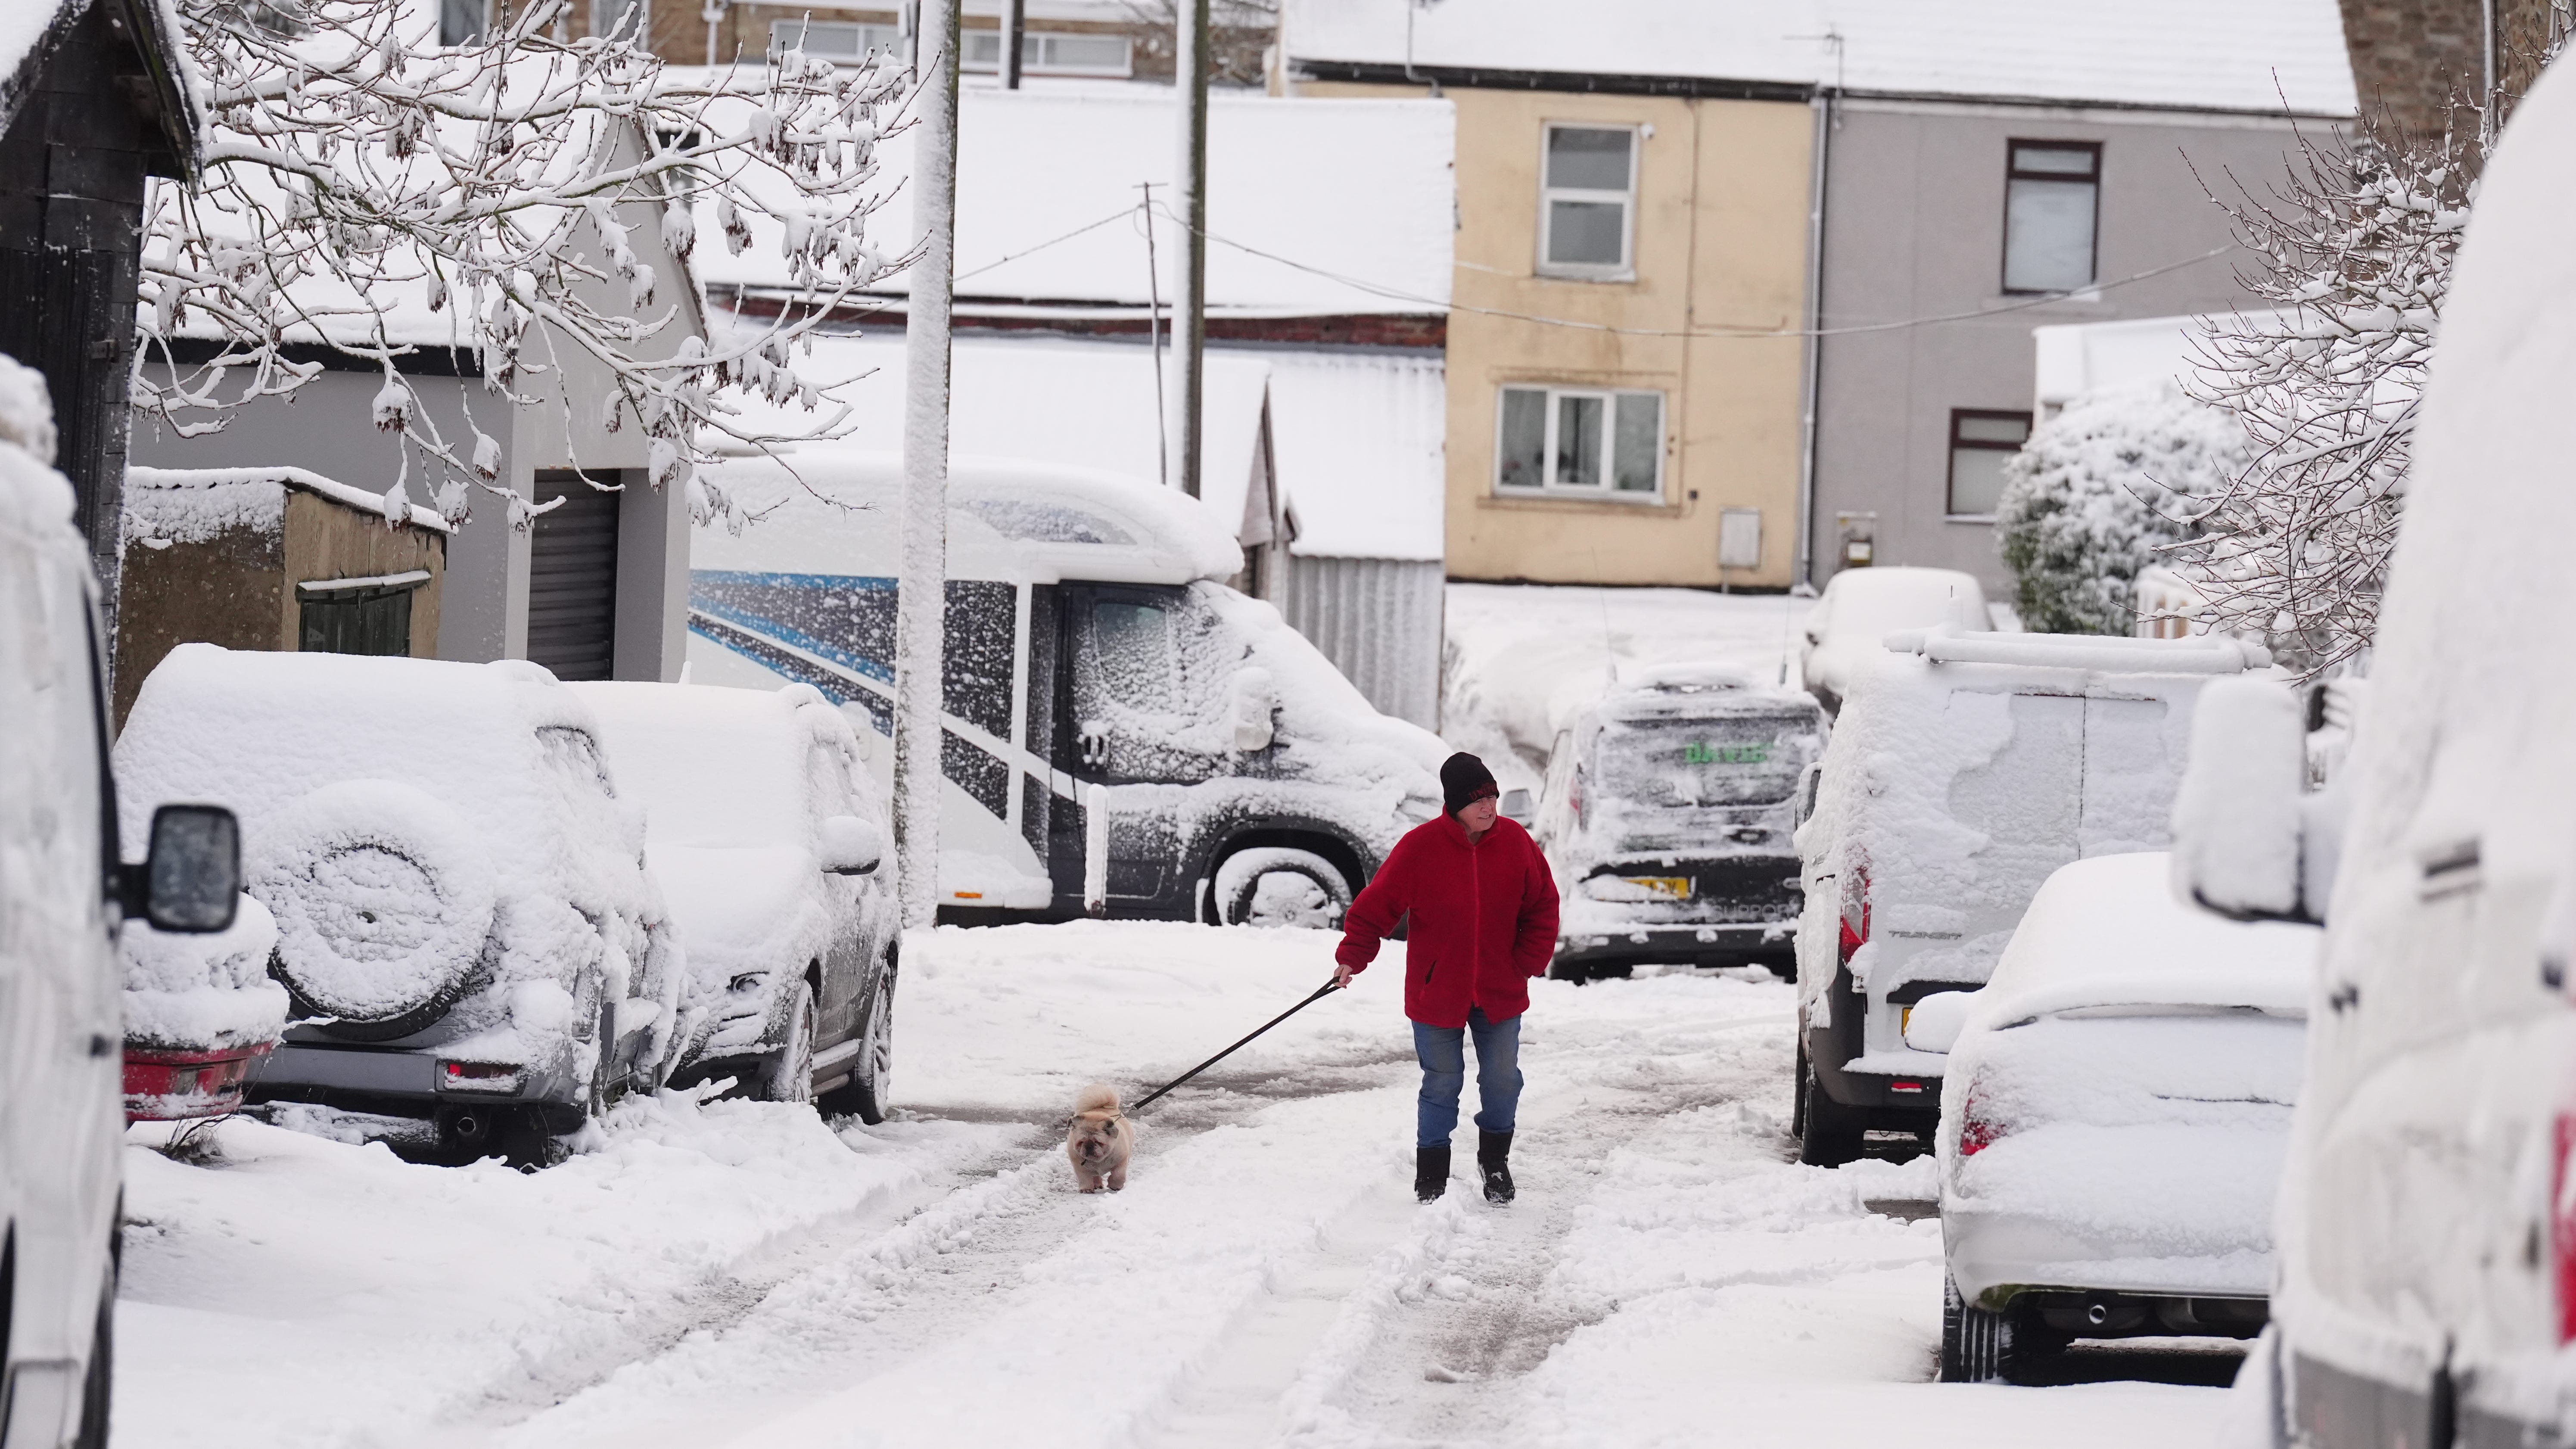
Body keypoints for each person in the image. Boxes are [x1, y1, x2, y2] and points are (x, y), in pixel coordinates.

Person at [1334, 751, 1560, 1204]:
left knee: (1501, 1079)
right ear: (1454, 803)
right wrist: (1353, 956)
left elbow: (1543, 905)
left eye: (1493, 796)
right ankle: (1431, 1172)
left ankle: (1494, 1161)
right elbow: (1377, 906)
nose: (1488, 806)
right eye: (1478, 799)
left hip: (1500, 988)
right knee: (1441, 1081)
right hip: (1436, 990)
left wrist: (1526, 961)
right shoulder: (1420, 847)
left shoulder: (1516, 843)